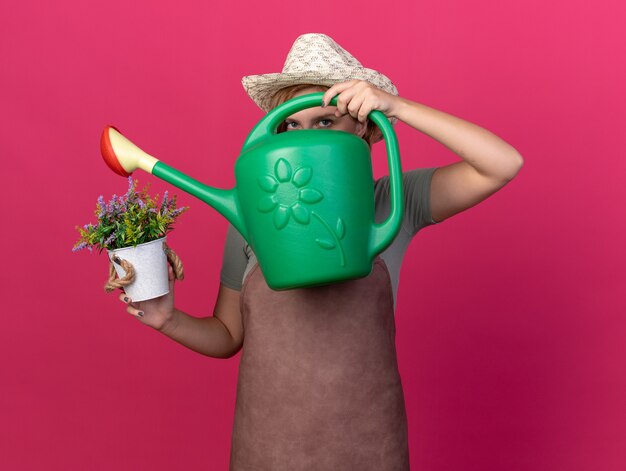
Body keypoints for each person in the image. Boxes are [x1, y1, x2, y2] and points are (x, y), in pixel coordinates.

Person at [118, 33, 523, 470]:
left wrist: (398, 107)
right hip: (266, 451)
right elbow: (228, 336)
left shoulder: (393, 203)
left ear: (363, 126)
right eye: (292, 124)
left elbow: (501, 164)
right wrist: (166, 319)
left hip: (370, 449)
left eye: (326, 121)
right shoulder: (255, 213)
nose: (305, 137)